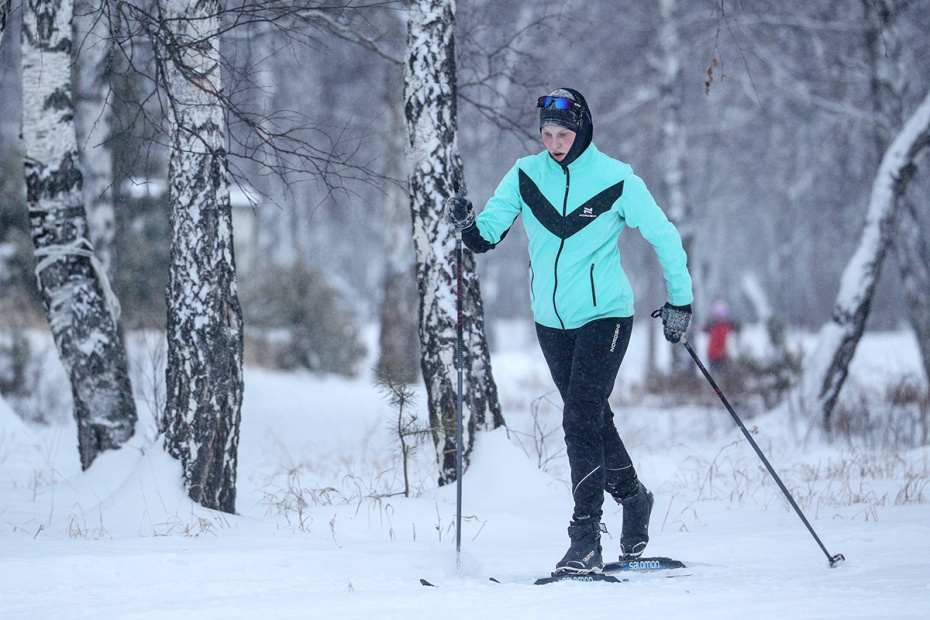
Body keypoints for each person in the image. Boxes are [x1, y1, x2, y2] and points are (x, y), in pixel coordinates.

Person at [445, 88, 694, 575]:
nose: (555, 143)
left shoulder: (616, 179)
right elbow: (487, 236)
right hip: (551, 321)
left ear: (582, 130)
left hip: (606, 316)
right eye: (547, 134)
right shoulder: (525, 174)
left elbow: (664, 235)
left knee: (578, 420)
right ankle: (634, 498)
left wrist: (679, 300)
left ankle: (585, 539)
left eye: (563, 133)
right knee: (592, 418)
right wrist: (467, 226)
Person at [703, 299, 739, 374]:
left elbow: (737, 329)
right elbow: (703, 329)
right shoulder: (713, 325)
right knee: (717, 376)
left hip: (722, 355)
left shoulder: (726, 325)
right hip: (714, 355)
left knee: (722, 376)